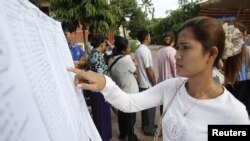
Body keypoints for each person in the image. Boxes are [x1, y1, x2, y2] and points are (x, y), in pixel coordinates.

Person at [68, 17, 250, 141]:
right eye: (178, 47)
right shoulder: (173, 88)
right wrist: (104, 84)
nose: (177, 55)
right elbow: (130, 103)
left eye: (185, 47)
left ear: (211, 54)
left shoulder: (233, 114)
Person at [108, 36, 141, 141]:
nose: (130, 49)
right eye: (128, 48)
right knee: (131, 117)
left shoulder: (110, 60)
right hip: (130, 92)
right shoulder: (126, 60)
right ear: (123, 50)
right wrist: (134, 63)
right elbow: (135, 71)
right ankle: (131, 137)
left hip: (119, 91)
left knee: (122, 115)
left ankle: (122, 134)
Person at [86, 34, 112, 141]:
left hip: (94, 90)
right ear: (102, 45)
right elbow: (102, 77)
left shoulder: (93, 54)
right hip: (100, 91)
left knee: (98, 117)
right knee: (102, 118)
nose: (106, 46)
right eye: (105, 44)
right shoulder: (98, 57)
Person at [135, 29, 156, 136]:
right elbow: (149, 69)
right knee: (150, 107)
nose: (150, 37)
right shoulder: (145, 51)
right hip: (147, 83)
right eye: (150, 35)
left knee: (144, 106)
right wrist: (154, 83)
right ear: (146, 37)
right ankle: (149, 128)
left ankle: (146, 125)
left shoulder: (138, 50)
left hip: (141, 82)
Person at [157, 31, 177, 114]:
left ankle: (163, 125)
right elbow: (175, 69)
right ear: (173, 40)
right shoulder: (172, 51)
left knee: (163, 107)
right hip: (171, 84)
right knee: (171, 109)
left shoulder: (160, 51)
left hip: (162, 83)